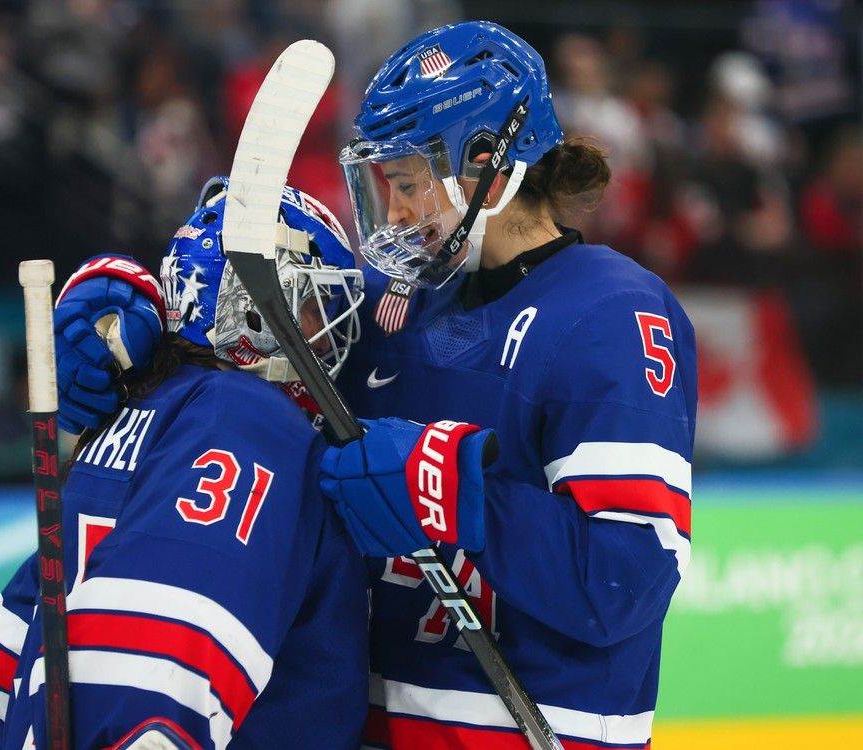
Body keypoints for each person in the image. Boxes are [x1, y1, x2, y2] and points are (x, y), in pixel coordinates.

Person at [53, 21, 698, 750]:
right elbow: (260, 309)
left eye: (409, 184)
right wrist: (128, 303)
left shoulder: (615, 312)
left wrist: (452, 491)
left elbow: (627, 580)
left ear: (487, 160)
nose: (393, 215)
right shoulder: (401, 306)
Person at [0, 181, 369, 749]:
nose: (328, 333)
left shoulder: (136, 408)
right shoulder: (248, 421)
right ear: (251, 308)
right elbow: (148, 668)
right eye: (316, 304)